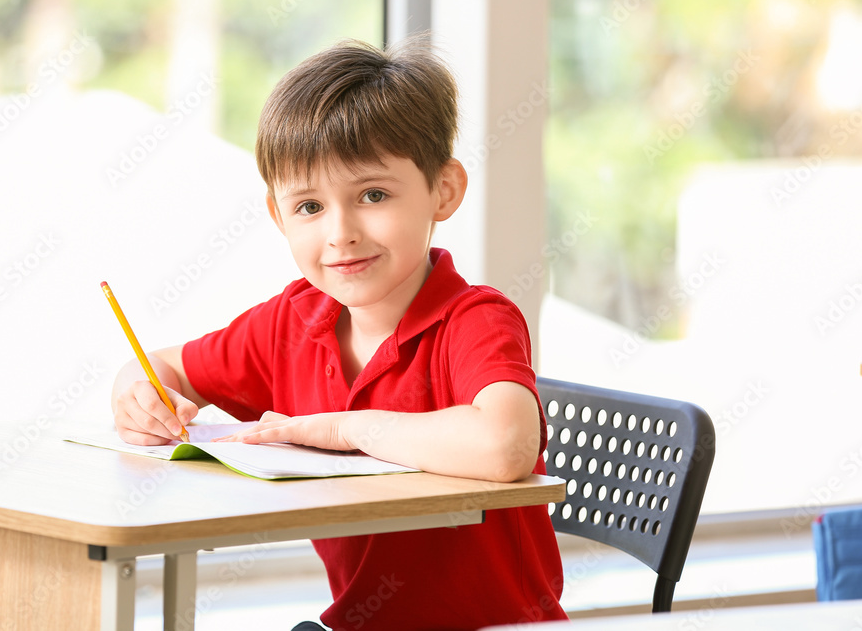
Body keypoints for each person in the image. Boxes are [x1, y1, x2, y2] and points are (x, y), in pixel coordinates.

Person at [110, 36, 567, 631]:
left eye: (373, 195)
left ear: (443, 190)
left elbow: (504, 447)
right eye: (309, 207)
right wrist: (139, 394)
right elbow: (165, 368)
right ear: (277, 214)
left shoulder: (475, 319)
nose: (341, 233)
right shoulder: (294, 319)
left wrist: (345, 429)